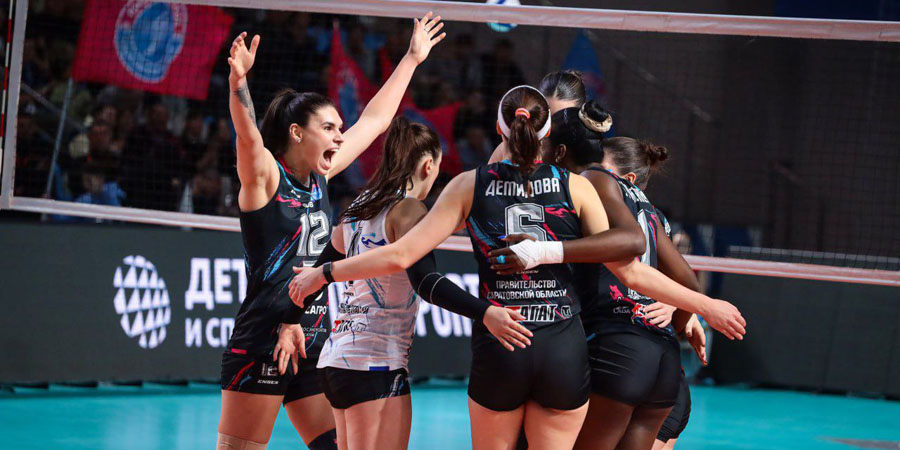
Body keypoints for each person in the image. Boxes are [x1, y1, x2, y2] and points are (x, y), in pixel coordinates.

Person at [289, 85, 745, 450]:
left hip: (501, 341)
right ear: (547, 133)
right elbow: (631, 269)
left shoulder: (470, 184)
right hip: (561, 346)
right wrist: (704, 305)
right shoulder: (577, 187)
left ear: (498, 127)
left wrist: (323, 273)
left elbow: (402, 256)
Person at [218, 13, 446, 450]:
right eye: (329, 128)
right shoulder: (266, 178)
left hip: (312, 337)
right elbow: (247, 138)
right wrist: (238, 84)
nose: (340, 137)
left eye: (340, 128)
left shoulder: (320, 177)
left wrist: (412, 59)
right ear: (296, 133)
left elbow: (375, 120)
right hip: (264, 338)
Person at [296, 116, 531, 450]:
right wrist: (485, 313)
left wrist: (289, 317)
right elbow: (427, 282)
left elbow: (316, 273)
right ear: (428, 165)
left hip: (337, 362)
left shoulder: (358, 208)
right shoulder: (408, 210)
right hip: (375, 365)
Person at [537, 103, 711, 450]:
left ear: (623, 178)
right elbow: (687, 283)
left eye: (600, 165)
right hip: (665, 363)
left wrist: (546, 252)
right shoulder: (653, 214)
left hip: (618, 349)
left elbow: (630, 262)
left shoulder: (596, 184)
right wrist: (680, 313)